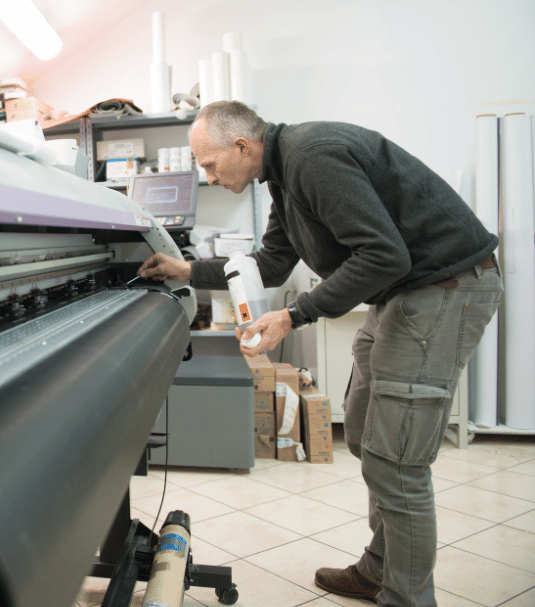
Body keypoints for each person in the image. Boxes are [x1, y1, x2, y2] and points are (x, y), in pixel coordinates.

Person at [138, 101, 502, 607]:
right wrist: (184, 271)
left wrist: (293, 315)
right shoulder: (283, 178)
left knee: (397, 461)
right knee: (363, 431)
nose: (209, 176)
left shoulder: (313, 157)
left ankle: (408, 597)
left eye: (210, 164)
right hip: (404, 293)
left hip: (444, 288)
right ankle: (380, 570)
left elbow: (383, 254)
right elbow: (270, 263)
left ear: (242, 147)